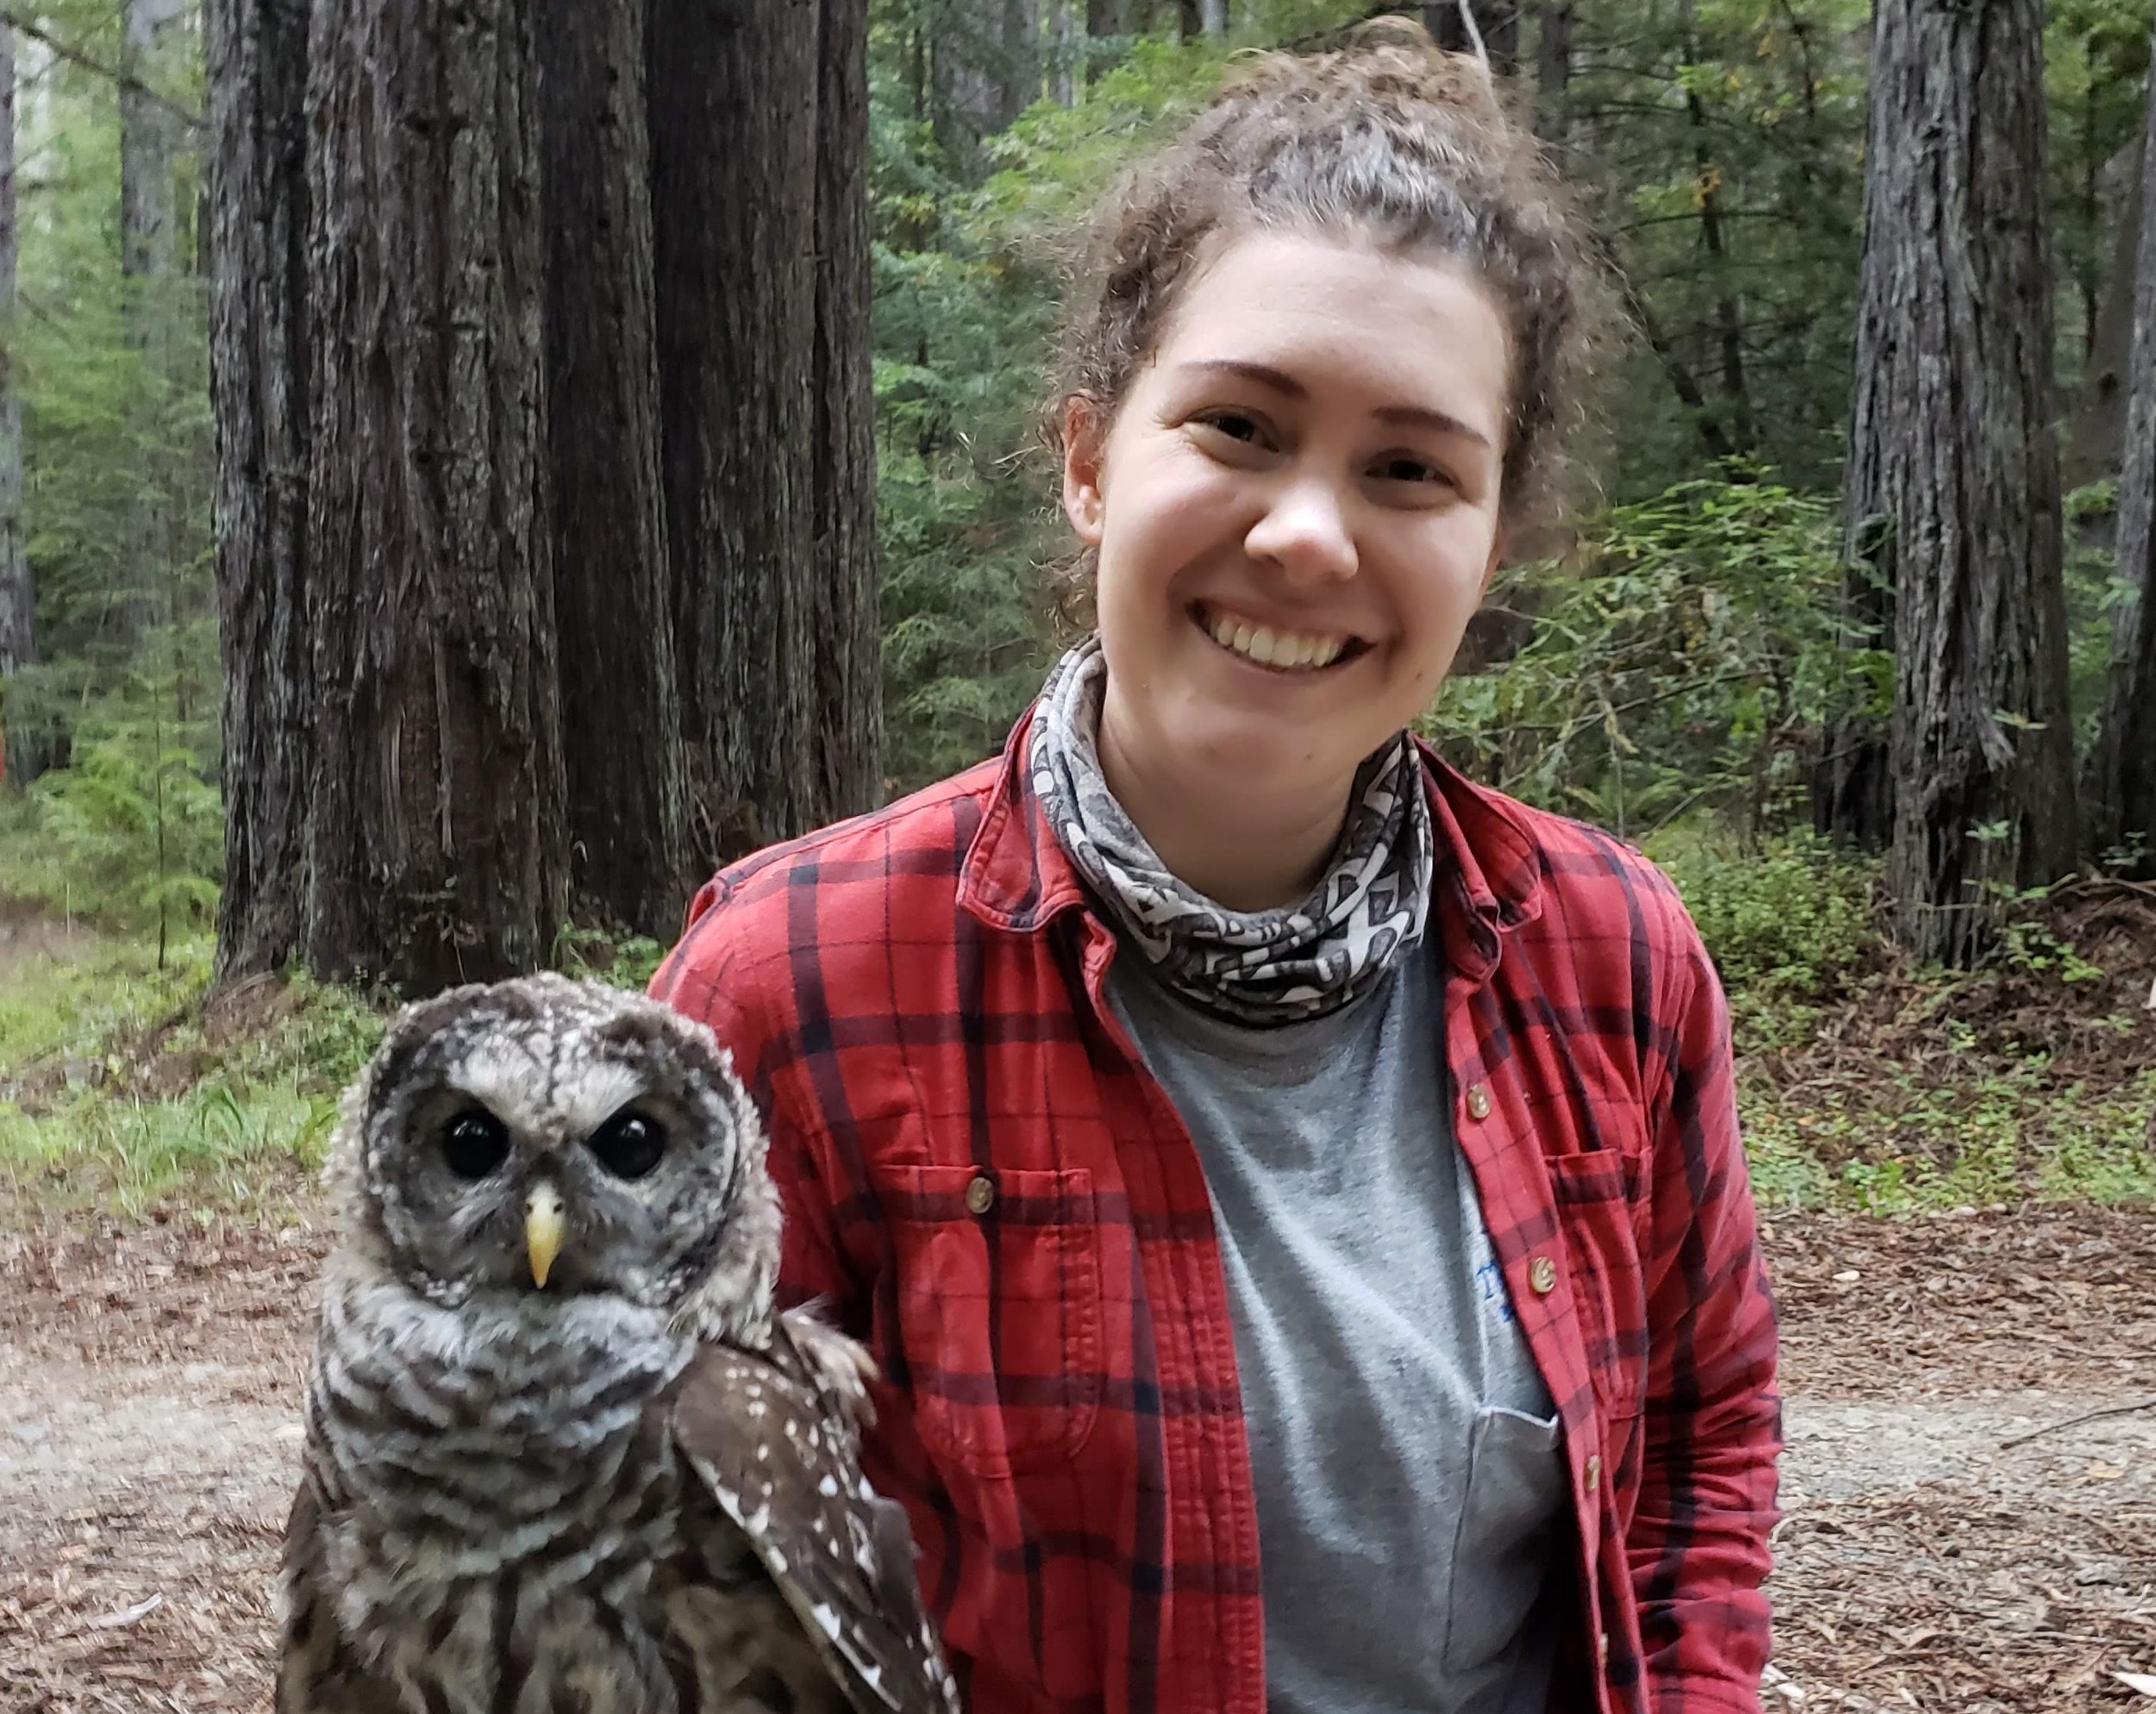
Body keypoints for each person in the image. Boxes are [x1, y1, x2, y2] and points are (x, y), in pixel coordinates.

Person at [653, 22, 1778, 1714]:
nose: (1310, 533)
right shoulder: (793, 984)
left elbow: (1699, 1435)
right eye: (1240, 425)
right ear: (1091, 458)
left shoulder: (1606, 956)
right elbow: (663, 1569)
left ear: (1491, 540)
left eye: (1409, 467)